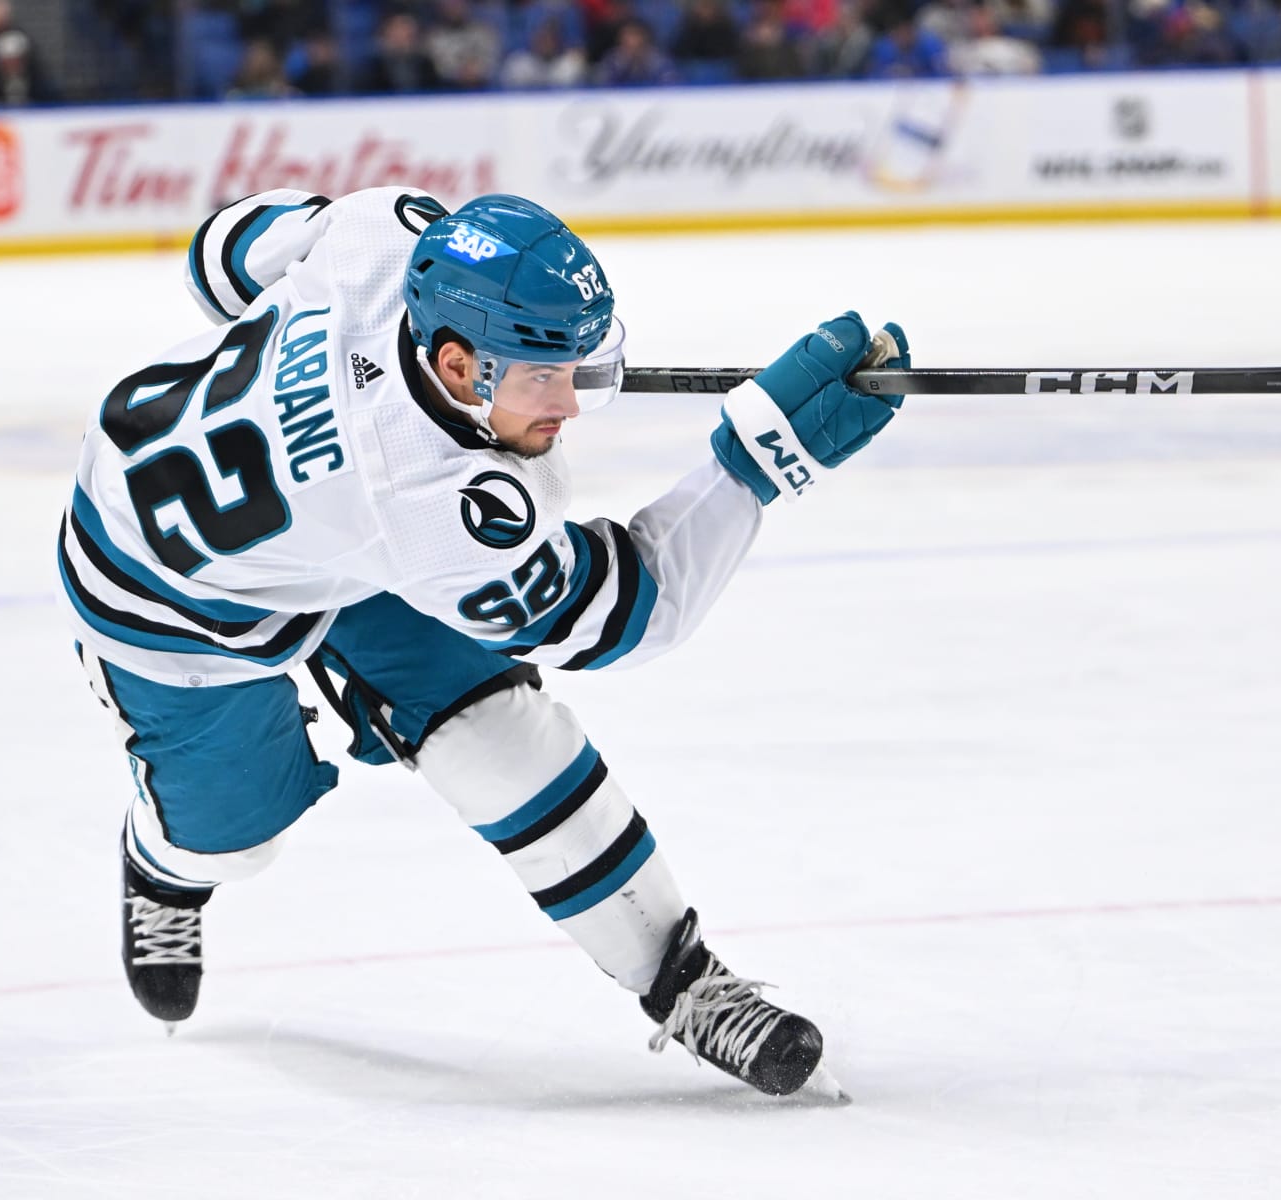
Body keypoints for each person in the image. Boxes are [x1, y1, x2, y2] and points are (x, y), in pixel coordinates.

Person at [57, 188, 909, 1098]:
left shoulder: (384, 232)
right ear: (458, 365)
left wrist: (550, 365)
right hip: (166, 600)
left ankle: (682, 982)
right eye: (548, 379)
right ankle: (165, 867)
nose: (571, 407)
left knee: (495, 731)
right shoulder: (441, 514)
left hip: (321, 527)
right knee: (235, 838)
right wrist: (755, 467)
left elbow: (220, 254)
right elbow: (632, 612)